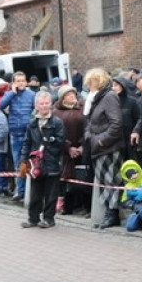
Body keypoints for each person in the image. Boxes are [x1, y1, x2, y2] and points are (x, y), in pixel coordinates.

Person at [84, 68, 124, 229]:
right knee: (103, 181)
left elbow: (116, 123)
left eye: (91, 82)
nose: (88, 86)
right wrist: (89, 136)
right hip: (98, 146)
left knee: (111, 181)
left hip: (109, 147)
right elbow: (90, 121)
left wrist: (101, 141)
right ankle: (109, 211)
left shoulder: (109, 96)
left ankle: (113, 213)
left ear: (98, 82)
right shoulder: (97, 97)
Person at [20, 91, 65, 229]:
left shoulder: (57, 122)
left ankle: (49, 219)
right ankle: (33, 218)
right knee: (35, 193)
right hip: (36, 164)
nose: (44, 106)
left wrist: (49, 144)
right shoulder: (32, 123)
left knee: (51, 194)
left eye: (47, 103)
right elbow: (27, 142)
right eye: (41, 103)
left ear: (51, 104)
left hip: (52, 162)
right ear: (36, 106)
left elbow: (61, 142)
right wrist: (23, 160)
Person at [54, 84, 89, 216]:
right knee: (66, 179)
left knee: (83, 178)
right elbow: (56, 132)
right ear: (62, 98)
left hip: (81, 148)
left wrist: (82, 145)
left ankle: (86, 206)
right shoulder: (56, 112)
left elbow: (88, 127)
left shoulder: (83, 109)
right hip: (65, 151)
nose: (72, 96)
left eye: (73, 94)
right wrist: (68, 147)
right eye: (68, 95)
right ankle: (68, 207)